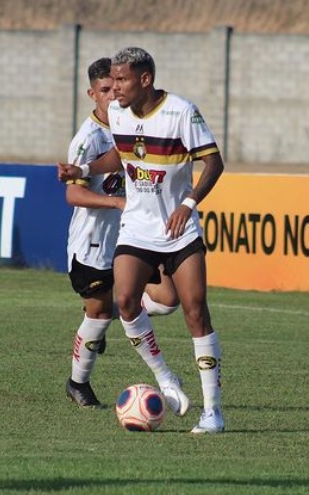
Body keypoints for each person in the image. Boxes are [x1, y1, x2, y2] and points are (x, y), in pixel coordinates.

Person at [58, 47, 226, 433]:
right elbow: (120, 156)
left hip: (179, 229)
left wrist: (188, 202)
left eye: (121, 80)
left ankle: (212, 411)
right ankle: (165, 378)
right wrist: (81, 168)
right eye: (111, 81)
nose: (114, 88)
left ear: (145, 80)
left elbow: (214, 162)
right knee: (125, 300)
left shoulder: (181, 111)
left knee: (194, 311)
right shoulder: (117, 113)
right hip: (137, 227)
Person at [64, 57, 180, 408]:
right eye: (103, 91)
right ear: (91, 94)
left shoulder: (129, 125)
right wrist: (116, 204)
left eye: (115, 88)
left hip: (133, 237)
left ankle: (122, 307)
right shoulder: (87, 140)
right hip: (93, 245)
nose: (111, 96)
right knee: (97, 317)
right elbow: (73, 193)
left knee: (167, 298)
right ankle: (77, 383)